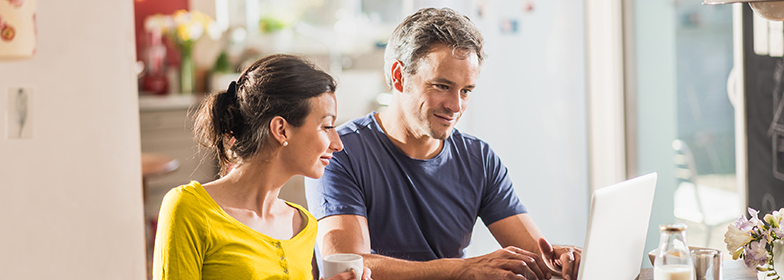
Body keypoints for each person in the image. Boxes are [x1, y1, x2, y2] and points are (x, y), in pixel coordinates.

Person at [305, 7, 582, 280]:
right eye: (441, 86)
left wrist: (562, 260)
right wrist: (462, 269)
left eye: (466, 91)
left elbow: (536, 257)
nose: (456, 105)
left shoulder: (478, 159)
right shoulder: (340, 153)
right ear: (399, 76)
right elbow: (346, 267)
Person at [152, 54, 372, 280]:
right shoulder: (189, 209)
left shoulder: (303, 225)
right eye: (326, 126)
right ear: (281, 129)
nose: (338, 144)